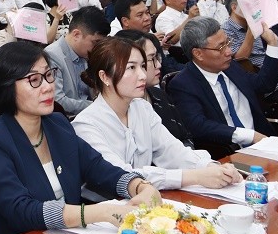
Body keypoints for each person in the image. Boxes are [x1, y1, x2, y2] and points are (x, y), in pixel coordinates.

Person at [0, 41, 160, 234]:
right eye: (34, 80)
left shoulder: (57, 124)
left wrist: (139, 186)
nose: (48, 87)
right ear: (6, 87)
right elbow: (20, 210)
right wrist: (101, 212)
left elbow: (98, 167)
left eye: (48, 75)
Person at [72, 38, 240, 191]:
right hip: (106, 207)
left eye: (142, 66)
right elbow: (121, 175)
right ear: (105, 77)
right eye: (131, 67)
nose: (142, 75)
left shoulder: (142, 108)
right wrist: (195, 176)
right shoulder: (86, 125)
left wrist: (211, 167)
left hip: (146, 200)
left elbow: (171, 151)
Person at [167, 17, 278, 147]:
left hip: (263, 142)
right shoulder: (183, 84)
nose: (229, 52)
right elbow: (198, 125)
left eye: (228, 42)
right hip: (228, 151)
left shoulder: (230, 67)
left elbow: (264, 84)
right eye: (221, 47)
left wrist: (273, 43)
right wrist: (248, 136)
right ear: (198, 53)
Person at [116, 30, 194, 146]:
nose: (158, 65)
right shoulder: (118, 110)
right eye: (151, 59)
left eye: (157, 57)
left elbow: (184, 138)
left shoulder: (159, 95)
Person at [44, 6, 110, 114]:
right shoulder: (52, 55)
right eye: (95, 42)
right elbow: (58, 101)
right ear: (76, 34)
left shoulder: (86, 54)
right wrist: (97, 106)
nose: (97, 48)